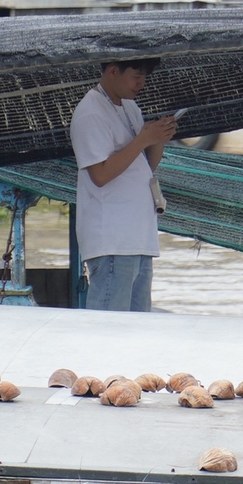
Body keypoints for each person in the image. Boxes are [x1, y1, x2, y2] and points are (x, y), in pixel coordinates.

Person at [71, 57, 173, 312]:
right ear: (113, 71)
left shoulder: (130, 107)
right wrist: (142, 139)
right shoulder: (91, 112)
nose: (141, 83)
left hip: (138, 237)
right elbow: (100, 175)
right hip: (113, 240)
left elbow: (145, 168)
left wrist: (158, 138)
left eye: (144, 77)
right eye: (136, 76)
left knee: (136, 330)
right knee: (109, 328)